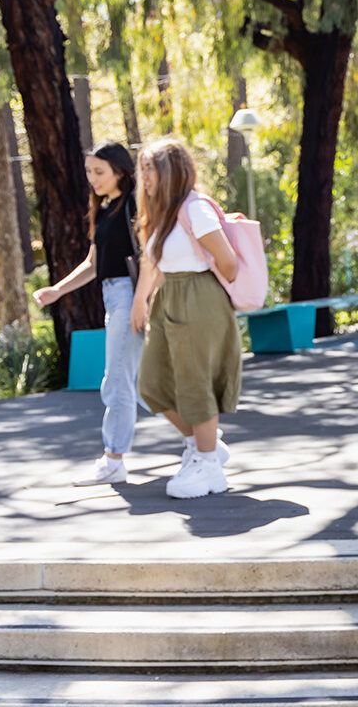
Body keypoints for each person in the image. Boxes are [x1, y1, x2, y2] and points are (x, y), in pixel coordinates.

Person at [130, 139, 243, 500]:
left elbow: (228, 263)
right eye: (143, 168)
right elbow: (157, 264)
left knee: (195, 382)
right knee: (151, 383)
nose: (144, 176)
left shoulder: (194, 209)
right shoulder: (161, 213)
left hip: (198, 296)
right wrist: (145, 300)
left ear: (171, 171)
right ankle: (203, 446)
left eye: (151, 168)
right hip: (169, 297)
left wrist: (201, 288)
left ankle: (208, 464)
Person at [33, 142, 146, 486]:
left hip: (131, 294)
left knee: (116, 380)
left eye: (99, 172)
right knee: (138, 384)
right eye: (88, 172)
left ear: (120, 171)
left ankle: (114, 458)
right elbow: (93, 264)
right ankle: (202, 442)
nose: (92, 179)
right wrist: (58, 290)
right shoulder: (105, 208)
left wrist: (141, 301)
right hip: (113, 296)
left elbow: (152, 254)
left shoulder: (133, 205)